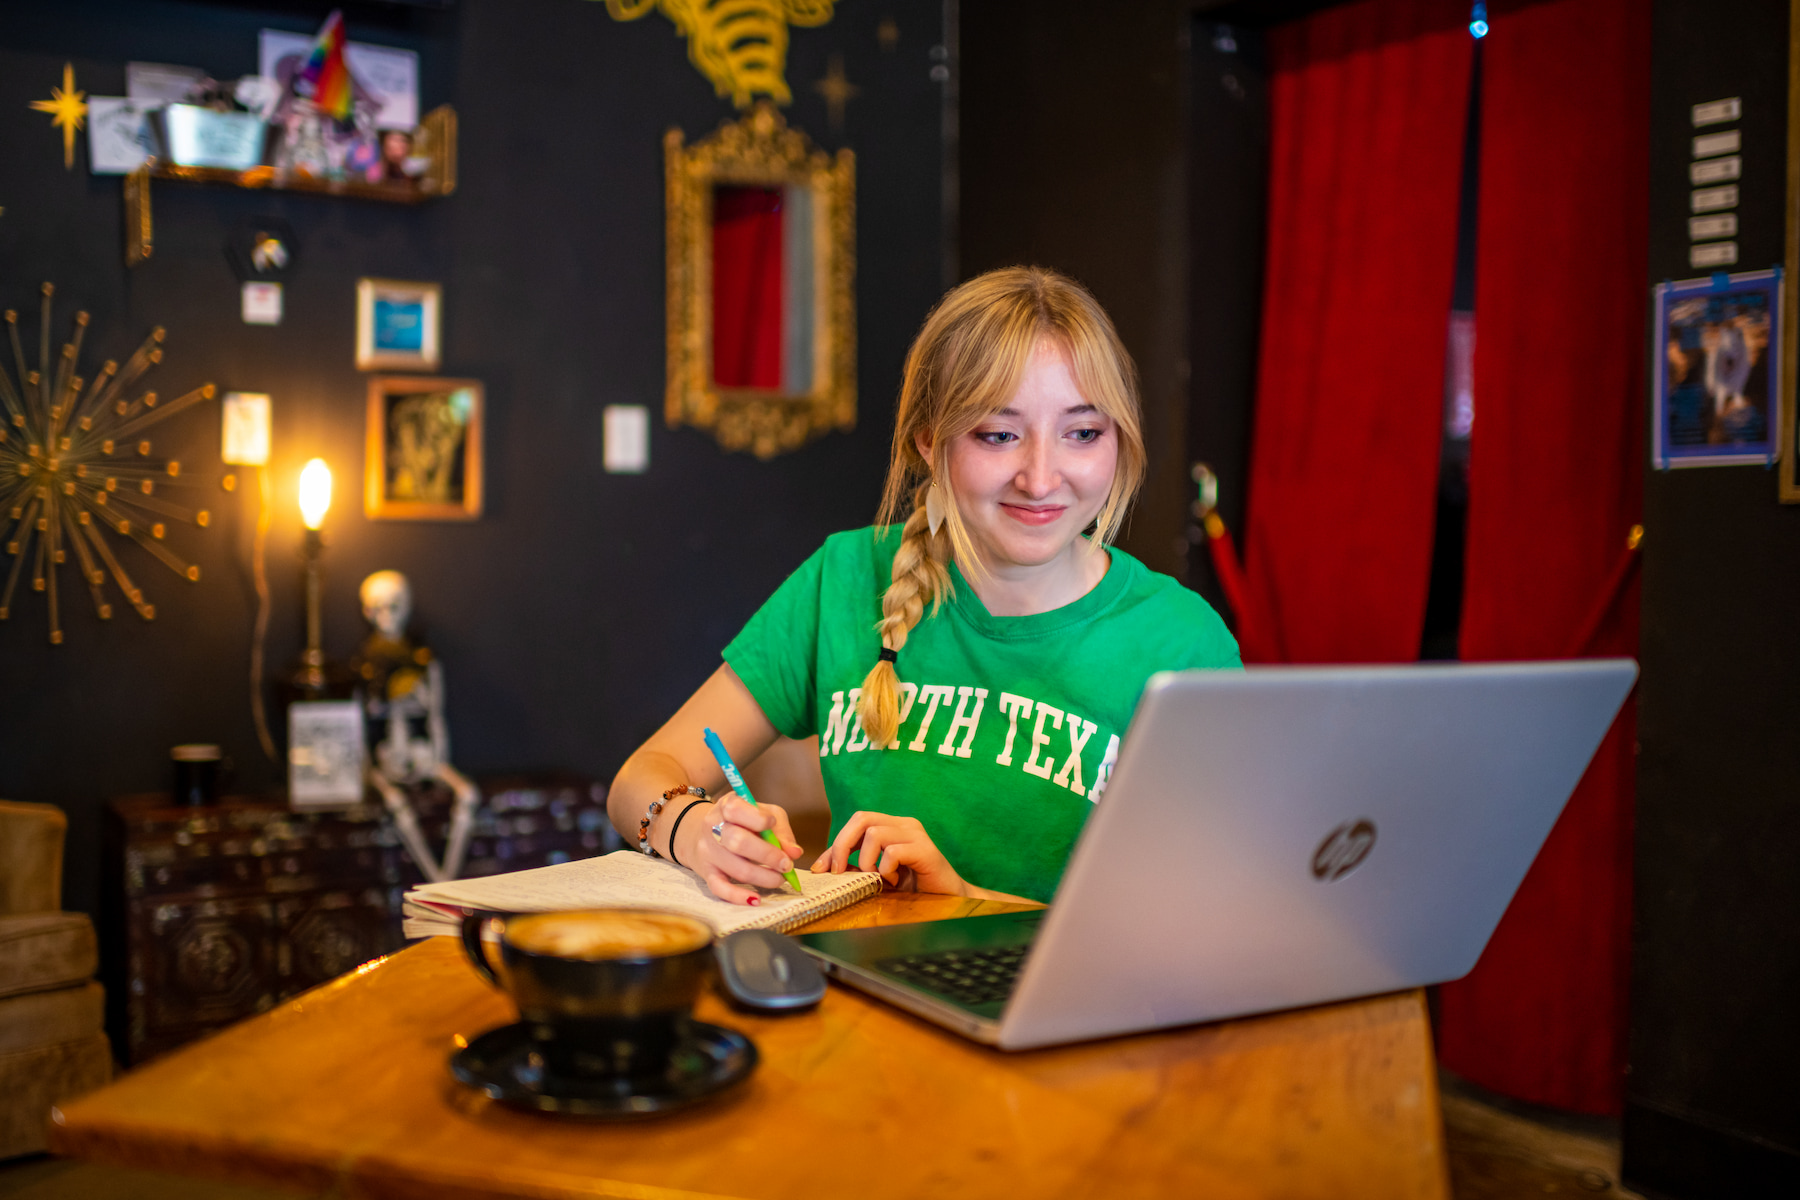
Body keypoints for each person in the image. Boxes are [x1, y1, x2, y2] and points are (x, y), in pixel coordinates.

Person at [607, 266, 1241, 906]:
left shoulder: (1184, 643)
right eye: (998, 435)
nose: (1041, 478)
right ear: (929, 442)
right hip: (860, 992)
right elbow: (640, 778)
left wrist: (963, 899)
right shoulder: (846, 577)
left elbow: (1211, 917)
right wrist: (697, 828)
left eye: (1082, 433)